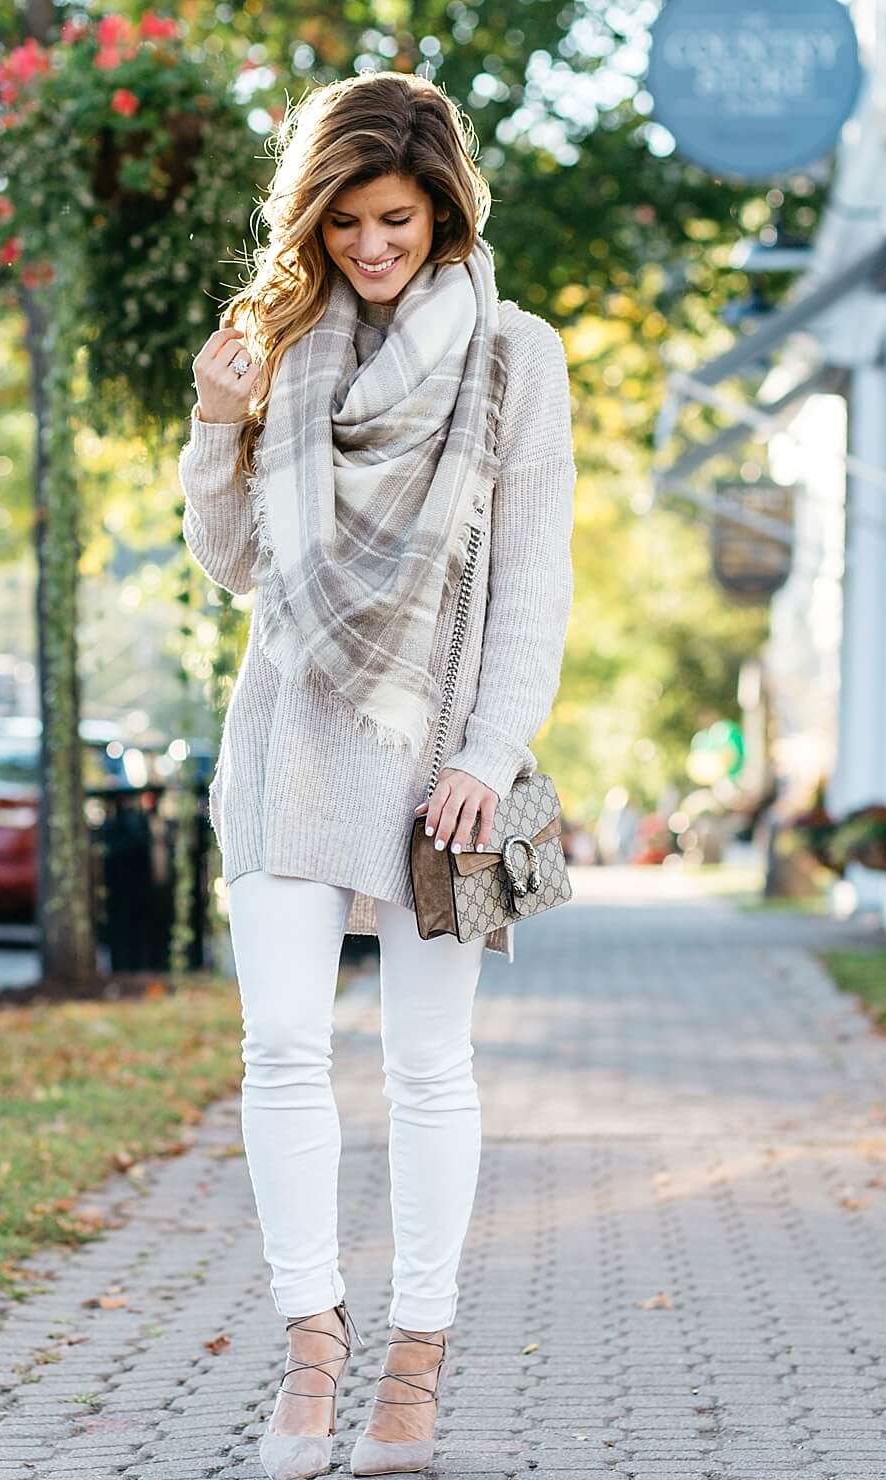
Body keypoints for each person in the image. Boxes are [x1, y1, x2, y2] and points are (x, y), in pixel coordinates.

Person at [177, 70, 575, 1480]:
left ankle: (413, 1359)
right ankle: (310, 1347)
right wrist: (218, 425)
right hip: (289, 744)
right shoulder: (279, 351)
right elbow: (236, 568)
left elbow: (533, 592)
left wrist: (486, 755)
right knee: (281, 1043)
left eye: (394, 217)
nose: (369, 245)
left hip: (437, 767)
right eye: (344, 220)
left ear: (445, 210)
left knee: (424, 1065)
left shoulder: (518, 359)